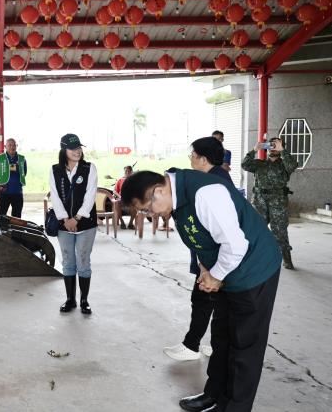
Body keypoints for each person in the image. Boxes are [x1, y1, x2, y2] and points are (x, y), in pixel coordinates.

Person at [121, 170, 282, 412]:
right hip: (226, 272)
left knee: (244, 345)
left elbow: (236, 245)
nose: (150, 215)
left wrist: (215, 276)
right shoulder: (176, 200)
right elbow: (200, 240)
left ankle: (235, 407)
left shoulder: (206, 194)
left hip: (254, 270)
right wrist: (206, 270)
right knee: (221, 337)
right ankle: (214, 394)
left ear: (159, 191)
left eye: (147, 209)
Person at [164, 137, 232, 362]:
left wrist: (207, 267)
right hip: (208, 258)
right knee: (206, 300)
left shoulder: (213, 183)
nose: (190, 160)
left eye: (192, 156)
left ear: (203, 159)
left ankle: (195, 345)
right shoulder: (211, 177)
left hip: (217, 259)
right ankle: (201, 344)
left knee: (208, 300)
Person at [49, 134, 98, 315]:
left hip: (85, 223)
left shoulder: (89, 168)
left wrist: (76, 219)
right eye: (72, 148)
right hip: (64, 225)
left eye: (79, 148)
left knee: (83, 262)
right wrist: (65, 220)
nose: (77, 151)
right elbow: (55, 196)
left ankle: (84, 300)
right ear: (64, 150)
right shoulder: (55, 170)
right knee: (68, 262)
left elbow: (90, 196)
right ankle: (70, 299)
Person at [242, 137, 297, 270]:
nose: (273, 147)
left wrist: (282, 150)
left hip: (278, 202)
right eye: (271, 145)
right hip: (259, 201)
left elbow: (292, 166)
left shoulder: (285, 164)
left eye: (276, 145)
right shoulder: (259, 164)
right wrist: (255, 150)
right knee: (256, 231)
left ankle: (286, 259)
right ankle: (254, 259)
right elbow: (245, 165)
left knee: (280, 232)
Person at [0, 138, 27, 218]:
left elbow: (24, 172)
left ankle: (15, 227)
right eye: (10, 145)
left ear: (17, 146)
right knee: (1, 216)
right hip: (4, 192)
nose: (12, 147)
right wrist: (3, 179)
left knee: (17, 217)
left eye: (14, 145)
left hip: (17, 192)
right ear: (5, 146)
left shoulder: (22, 159)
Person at [114, 165, 136, 230]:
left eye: (129, 171)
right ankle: (122, 222)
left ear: (131, 172)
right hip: (121, 199)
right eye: (126, 171)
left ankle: (130, 223)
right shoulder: (120, 180)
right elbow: (114, 191)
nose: (127, 172)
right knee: (117, 203)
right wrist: (120, 196)